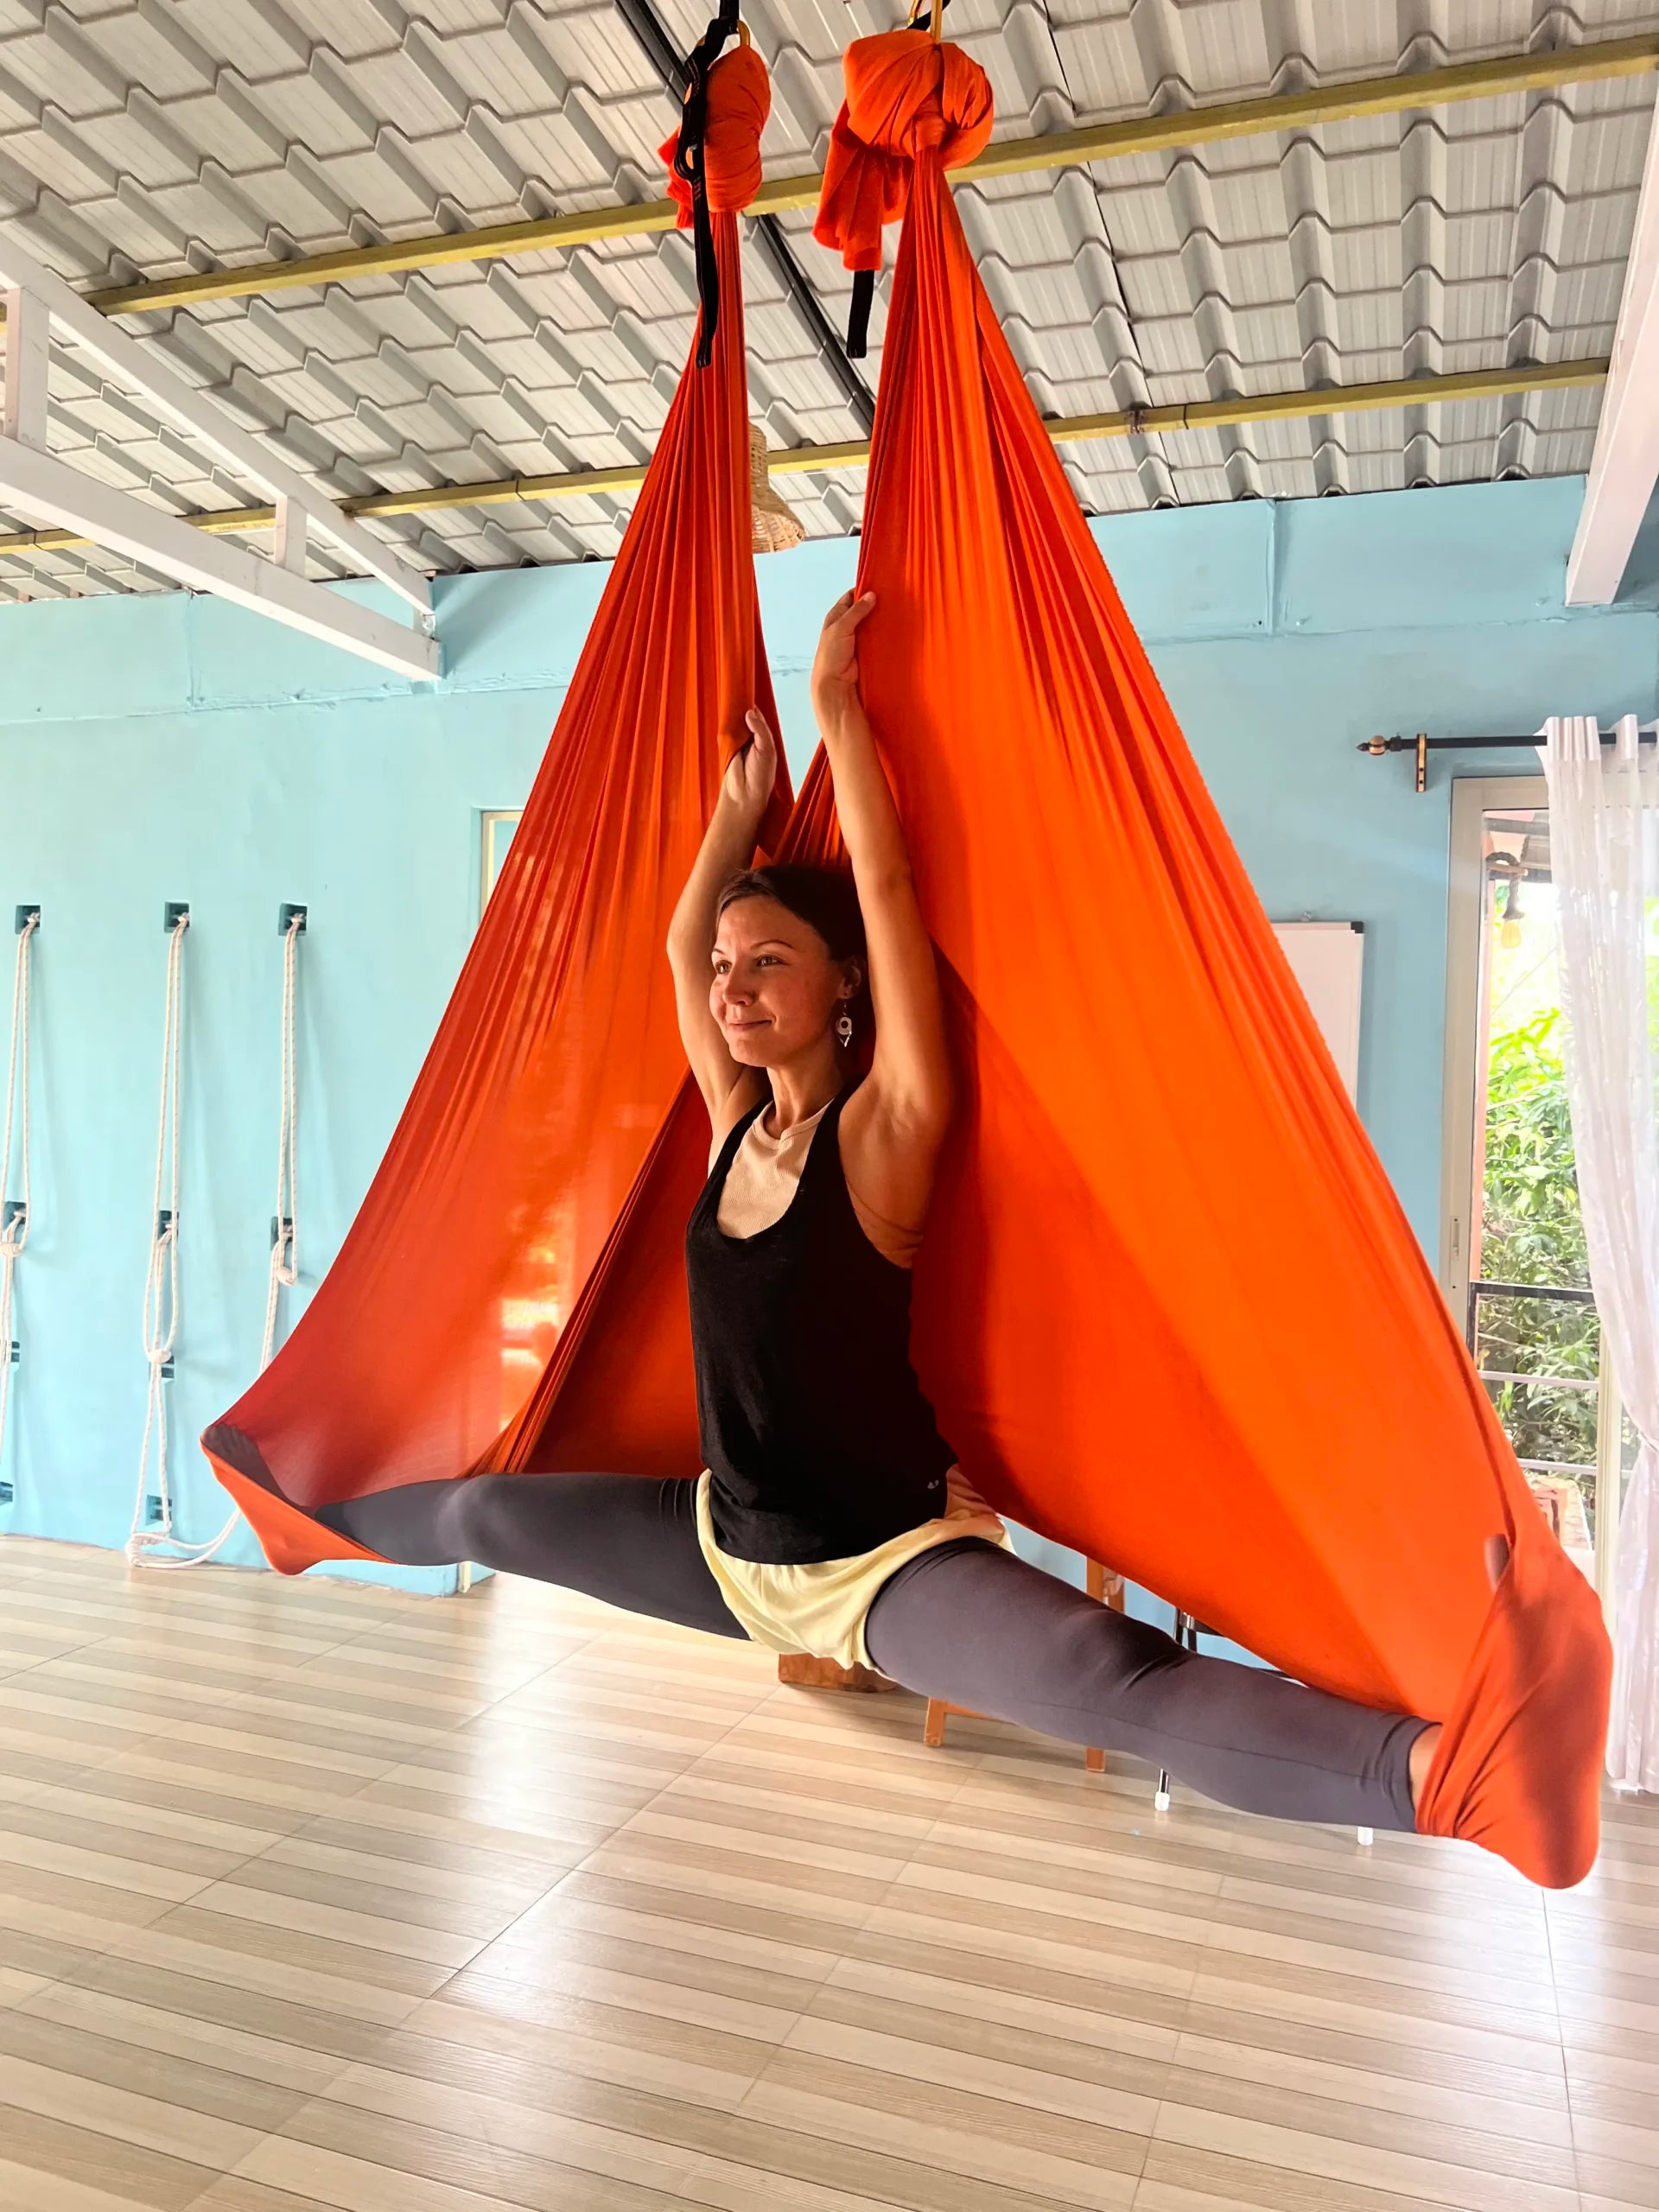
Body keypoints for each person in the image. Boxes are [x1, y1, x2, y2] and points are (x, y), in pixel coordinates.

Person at [320, 589, 1463, 1834]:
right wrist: (733, 822)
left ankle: (1435, 1775)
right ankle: (294, 1502)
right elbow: (672, 948)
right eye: (728, 970)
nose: (735, 990)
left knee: (1114, 1684)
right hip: (719, 1543)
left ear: (842, 985)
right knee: (479, 1507)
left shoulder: (885, 1129)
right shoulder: (730, 1122)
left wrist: (835, 717)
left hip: (881, 1567)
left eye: (769, 965)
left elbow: (888, 882)